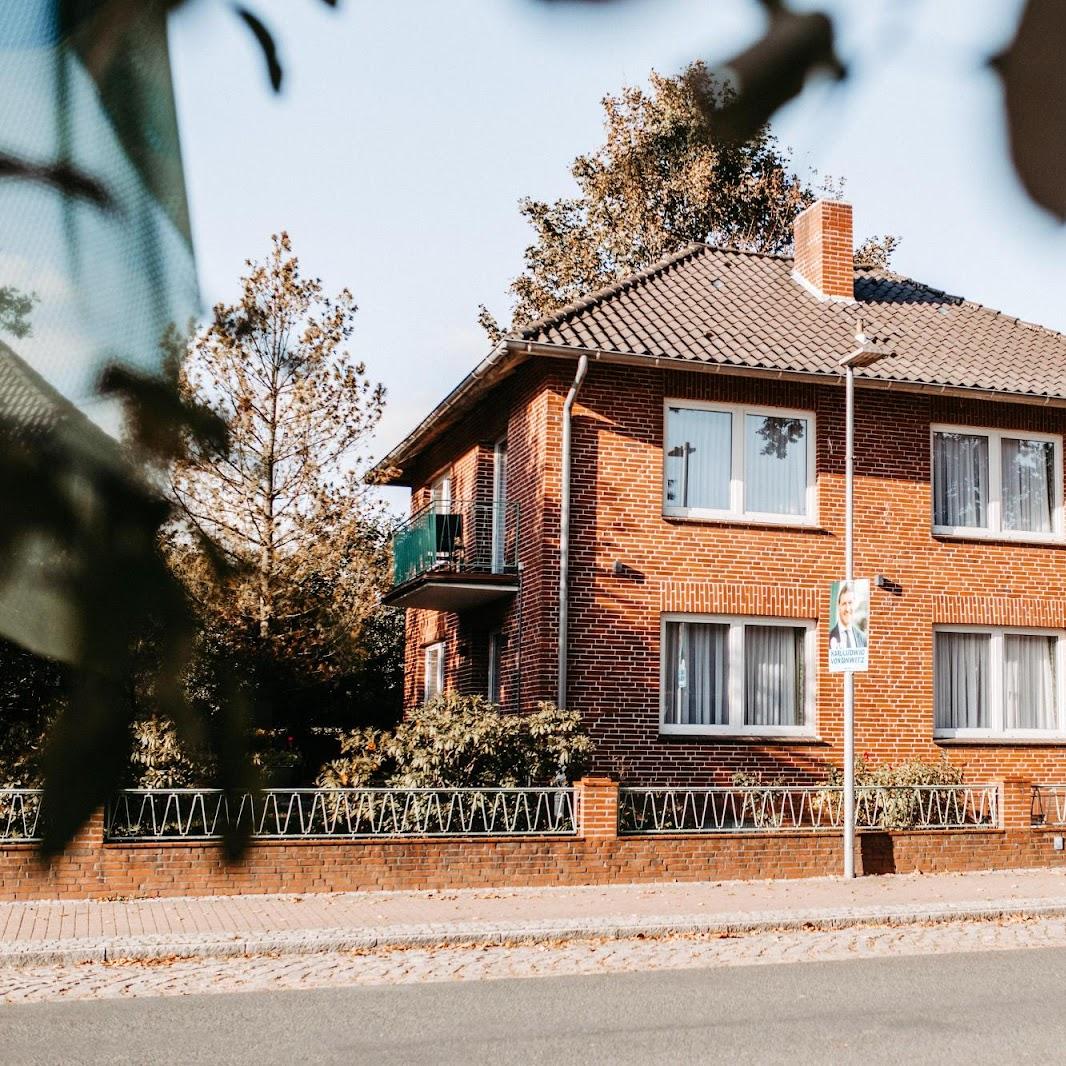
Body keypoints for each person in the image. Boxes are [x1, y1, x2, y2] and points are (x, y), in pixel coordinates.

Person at [829, 582, 867, 650]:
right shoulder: (828, 637)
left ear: (854, 605)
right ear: (838, 606)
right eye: (844, 604)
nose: (847, 609)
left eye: (850, 603)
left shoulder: (863, 638)